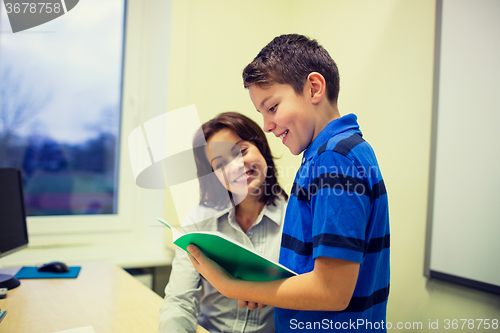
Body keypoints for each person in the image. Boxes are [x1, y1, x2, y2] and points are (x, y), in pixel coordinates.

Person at [186, 34, 390, 332]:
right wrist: (271, 290)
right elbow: (319, 274)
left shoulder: (333, 159)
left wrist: (233, 287)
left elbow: (332, 291)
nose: (267, 126)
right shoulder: (340, 150)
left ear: (314, 88)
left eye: (272, 108)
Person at [159, 112, 288, 333]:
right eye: (220, 165)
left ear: (261, 149)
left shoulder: (297, 218)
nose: (235, 166)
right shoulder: (199, 221)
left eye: (242, 150)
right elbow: (180, 301)